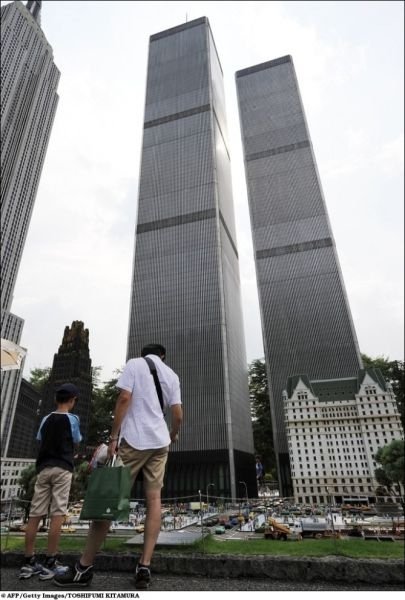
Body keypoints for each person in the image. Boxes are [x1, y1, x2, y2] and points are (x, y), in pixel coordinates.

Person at [55, 343, 182, 590]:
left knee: (109, 499)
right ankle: (144, 565)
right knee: (154, 500)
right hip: (159, 443)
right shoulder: (172, 374)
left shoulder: (134, 365)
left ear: (144, 354)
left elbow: (124, 398)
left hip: (134, 440)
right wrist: (173, 434)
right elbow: (177, 414)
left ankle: (83, 569)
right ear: (163, 355)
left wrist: (113, 437)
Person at [19, 383, 82, 580]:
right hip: (63, 467)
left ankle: (28, 561)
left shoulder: (46, 418)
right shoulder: (72, 419)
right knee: (57, 513)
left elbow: (40, 438)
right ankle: (50, 560)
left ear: (56, 400)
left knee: (35, 514)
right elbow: (77, 439)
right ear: (72, 401)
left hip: (43, 468)